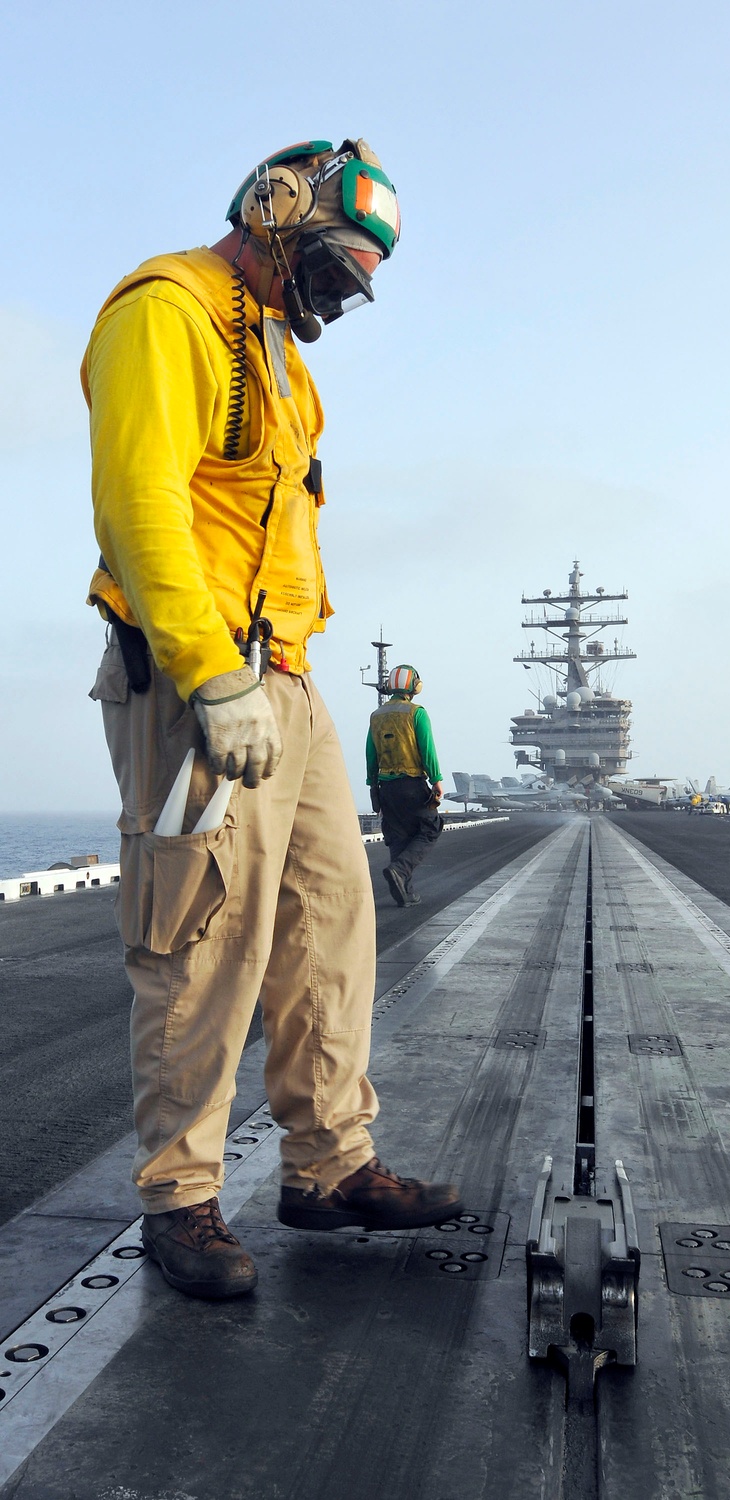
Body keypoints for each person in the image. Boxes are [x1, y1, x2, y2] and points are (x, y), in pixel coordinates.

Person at [84, 138, 461, 1301]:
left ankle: (328, 1164)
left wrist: (276, 683)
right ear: (275, 210)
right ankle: (181, 1195)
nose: (339, 299)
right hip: (202, 683)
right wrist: (211, 673)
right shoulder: (170, 310)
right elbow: (140, 500)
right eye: (334, 269)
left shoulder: (284, 364)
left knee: (325, 928)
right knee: (202, 942)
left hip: (286, 686)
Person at [367, 665, 444, 906]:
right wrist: (436, 779)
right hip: (412, 784)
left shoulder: (377, 715)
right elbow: (427, 748)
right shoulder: (416, 713)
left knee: (398, 836)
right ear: (414, 687)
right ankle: (400, 871)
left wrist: (373, 786)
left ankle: (405, 893)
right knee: (431, 828)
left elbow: (371, 753)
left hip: (385, 788)